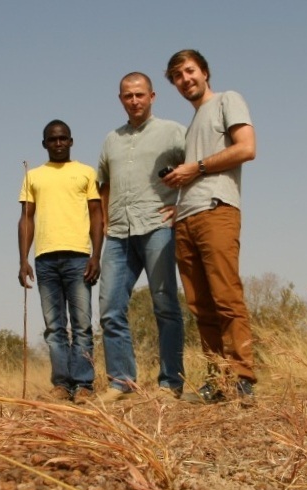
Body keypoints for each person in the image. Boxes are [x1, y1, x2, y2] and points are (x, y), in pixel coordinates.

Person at [162, 49, 257, 403]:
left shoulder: (227, 101)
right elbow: (193, 173)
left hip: (217, 210)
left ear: (204, 71)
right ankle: (219, 380)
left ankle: (242, 376)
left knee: (226, 296)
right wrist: (179, 202)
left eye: (189, 71)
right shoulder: (191, 126)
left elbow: (247, 148)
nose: (185, 79)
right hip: (186, 217)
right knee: (200, 305)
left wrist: (195, 168)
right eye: (177, 76)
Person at [97, 72, 186, 402]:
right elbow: (103, 181)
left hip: (157, 226)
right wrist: (106, 217)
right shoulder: (111, 139)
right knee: (109, 308)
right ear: (120, 99)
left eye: (139, 95)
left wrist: (182, 206)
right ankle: (122, 382)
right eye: (127, 96)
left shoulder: (174, 132)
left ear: (152, 96)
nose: (134, 101)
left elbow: (196, 169)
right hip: (118, 232)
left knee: (164, 304)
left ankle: (170, 383)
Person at [18, 119, 104, 405]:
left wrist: (96, 255)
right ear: (44, 144)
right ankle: (61, 385)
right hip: (44, 259)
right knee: (54, 327)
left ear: (71, 141)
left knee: (81, 324)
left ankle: (83, 385)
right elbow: (26, 218)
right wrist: (23, 260)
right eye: (52, 140)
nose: (58, 144)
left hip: (79, 257)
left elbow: (96, 214)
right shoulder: (33, 176)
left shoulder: (86, 173)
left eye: (63, 139)